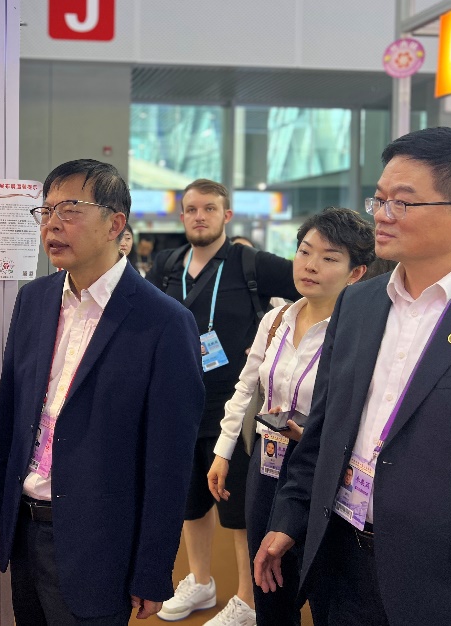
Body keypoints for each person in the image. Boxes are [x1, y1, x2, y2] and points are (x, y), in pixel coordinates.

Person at [254, 127, 451, 625]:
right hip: (342, 564)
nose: (381, 215)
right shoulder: (358, 304)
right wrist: (291, 516)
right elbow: (324, 429)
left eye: (402, 203)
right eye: (379, 199)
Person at [0, 159, 204, 625]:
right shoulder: (33, 300)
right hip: (24, 530)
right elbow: (11, 415)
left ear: (115, 224)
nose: (52, 225)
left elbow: (169, 462)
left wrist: (152, 569)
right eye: (45, 211)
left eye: (70, 210)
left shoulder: (164, 322)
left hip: (101, 546)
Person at [208, 207, 373, 626]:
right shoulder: (277, 318)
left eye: (329, 258)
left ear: (356, 273)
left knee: (321, 584)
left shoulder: (358, 332)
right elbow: (246, 387)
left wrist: (315, 435)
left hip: (320, 471)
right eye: (304, 251)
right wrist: (223, 452)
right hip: (266, 463)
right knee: (268, 581)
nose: (310, 265)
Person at [147, 179, 298, 625]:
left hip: (235, 408)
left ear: (226, 215)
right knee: (189, 501)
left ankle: (247, 600)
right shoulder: (167, 265)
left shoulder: (251, 263)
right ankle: (200, 582)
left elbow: (312, 286)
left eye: (209, 208)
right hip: (178, 403)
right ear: (182, 216)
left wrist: (281, 347)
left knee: (238, 508)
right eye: (192, 209)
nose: (200, 216)